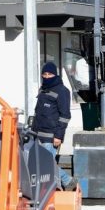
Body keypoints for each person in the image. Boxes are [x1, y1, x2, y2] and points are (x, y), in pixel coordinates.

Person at [33, 62, 77, 190]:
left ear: (55, 75)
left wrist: (58, 136)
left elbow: (65, 116)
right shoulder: (43, 89)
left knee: (45, 164)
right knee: (40, 165)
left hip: (51, 136)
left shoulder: (62, 91)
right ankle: (49, 188)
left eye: (49, 74)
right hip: (38, 135)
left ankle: (67, 181)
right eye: (44, 74)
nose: (47, 77)